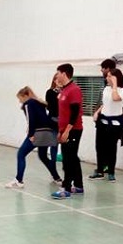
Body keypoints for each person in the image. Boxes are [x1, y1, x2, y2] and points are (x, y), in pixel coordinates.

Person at [5, 87, 62, 189]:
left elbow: (31, 120)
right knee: (43, 156)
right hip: (47, 132)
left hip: (37, 133)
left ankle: (19, 180)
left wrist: (31, 134)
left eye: (20, 99)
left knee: (21, 154)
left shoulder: (28, 103)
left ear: (25, 96)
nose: (19, 101)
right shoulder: (38, 102)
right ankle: (56, 177)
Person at [90, 59, 123, 182]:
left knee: (111, 148)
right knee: (99, 147)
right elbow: (105, 103)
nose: (107, 78)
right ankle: (100, 170)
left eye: (109, 77)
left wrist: (115, 85)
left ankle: (111, 172)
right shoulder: (106, 89)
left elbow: (116, 98)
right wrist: (98, 112)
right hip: (102, 122)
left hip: (115, 124)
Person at [51, 63, 84, 199]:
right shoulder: (64, 90)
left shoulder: (74, 90)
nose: (57, 75)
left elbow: (75, 113)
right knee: (73, 159)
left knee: (69, 160)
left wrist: (67, 131)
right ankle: (79, 186)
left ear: (64, 73)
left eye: (58, 72)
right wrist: (60, 131)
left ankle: (66, 188)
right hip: (64, 130)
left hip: (73, 130)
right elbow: (63, 113)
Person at [45, 73, 62, 182]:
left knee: (60, 147)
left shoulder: (66, 92)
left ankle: (58, 171)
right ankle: (53, 171)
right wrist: (59, 97)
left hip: (63, 123)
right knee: (53, 146)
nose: (59, 82)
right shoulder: (50, 92)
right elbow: (50, 107)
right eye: (57, 80)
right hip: (52, 122)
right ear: (54, 81)